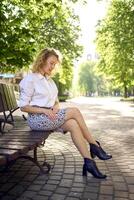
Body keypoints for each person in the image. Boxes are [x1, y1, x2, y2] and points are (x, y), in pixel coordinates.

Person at [19, 48, 112, 179]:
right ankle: (95, 146)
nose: (53, 67)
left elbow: (56, 102)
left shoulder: (50, 81)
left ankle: (89, 163)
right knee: (74, 111)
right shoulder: (30, 79)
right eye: (51, 63)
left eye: (55, 64)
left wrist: (55, 108)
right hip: (36, 120)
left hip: (49, 117)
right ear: (42, 60)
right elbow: (23, 107)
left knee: (73, 124)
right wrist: (44, 110)